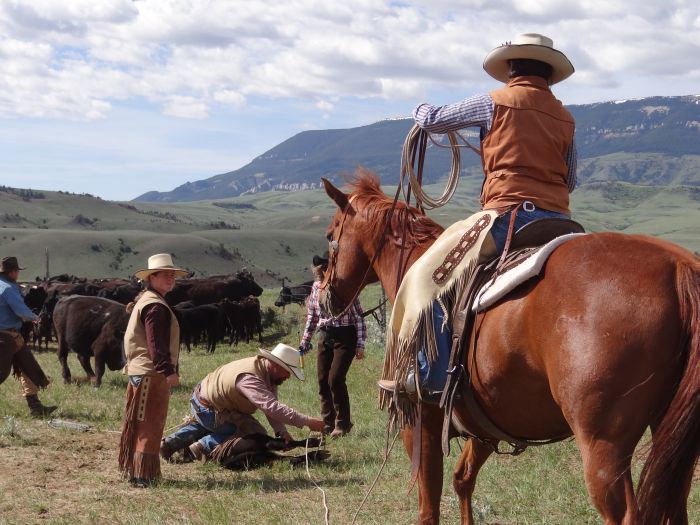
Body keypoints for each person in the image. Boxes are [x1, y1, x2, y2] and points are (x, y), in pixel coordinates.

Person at [379, 33, 577, 398]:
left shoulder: (494, 102)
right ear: (548, 74)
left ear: (510, 69)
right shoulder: (565, 118)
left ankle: (430, 377)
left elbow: (434, 120)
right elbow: (572, 178)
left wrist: (417, 107)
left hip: (508, 216)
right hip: (562, 221)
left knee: (426, 279)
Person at [160, 343, 325, 463]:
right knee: (250, 431)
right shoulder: (250, 378)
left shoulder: (265, 373)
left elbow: (271, 408)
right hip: (209, 409)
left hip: (204, 403)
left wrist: (281, 432)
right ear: (275, 365)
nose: (288, 377)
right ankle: (200, 448)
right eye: (287, 371)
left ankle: (171, 442)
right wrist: (307, 421)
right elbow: (271, 407)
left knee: (213, 424)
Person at [118, 253, 186, 488]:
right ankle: (142, 475)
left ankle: (138, 471)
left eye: (173, 275)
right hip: (151, 372)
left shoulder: (149, 300)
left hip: (143, 371)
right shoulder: (155, 306)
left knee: (141, 421)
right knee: (150, 422)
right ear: (152, 277)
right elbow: (155, 344)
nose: (171, 278)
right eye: (165, 275)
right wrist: (168, 371)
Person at [299, 252, 366, 437]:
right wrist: (305, 341)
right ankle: (328, 424)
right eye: (319, 270)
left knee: (335, 379)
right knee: (322, 380)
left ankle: (343, 424)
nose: (321, 272)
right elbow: (312, 316)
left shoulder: (344, 287)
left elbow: (358, 317)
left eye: (324, 269)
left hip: (346, 336)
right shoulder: (315, 288)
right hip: (325, 335)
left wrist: (360, 344)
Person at [0, 256, 57, 417]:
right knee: (1, 373)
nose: (17, 274)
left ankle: (36, 407)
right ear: (12, 272)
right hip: (5, 337)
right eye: (17, 271)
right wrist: (34, 317)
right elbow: (20, 310)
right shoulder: (8, 288)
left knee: (27, 367)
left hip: (12, 337)